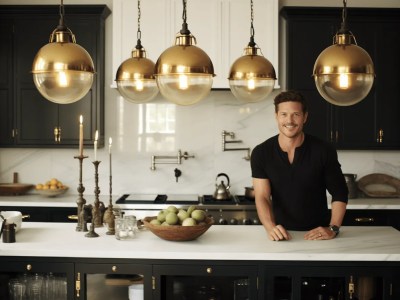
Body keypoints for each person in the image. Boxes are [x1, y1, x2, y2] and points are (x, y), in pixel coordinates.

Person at [250, 90, 348, 241]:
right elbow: (262, 196)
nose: (289, 120)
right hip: (281, 235)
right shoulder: (261, 153)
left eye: (296, 114)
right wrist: (270, 228)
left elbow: (340, 192)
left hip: (318, 235)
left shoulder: (323, 150)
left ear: (305, 117)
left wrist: (333, 228)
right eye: (284, 114)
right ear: (276, 116)